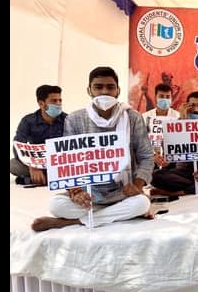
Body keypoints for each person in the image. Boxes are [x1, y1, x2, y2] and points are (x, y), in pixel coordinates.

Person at [31, 66, 155, 231]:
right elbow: (68, 162)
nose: (104, 92)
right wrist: (75, 192)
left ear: (117, 91)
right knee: (56, 205)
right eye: (98, 87)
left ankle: (73, 222)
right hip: (90, 194)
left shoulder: (133, 117)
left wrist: (137, 185)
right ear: (89, 90)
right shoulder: (75, 119)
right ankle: (112, 215)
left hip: (123, 193)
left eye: (110, 87)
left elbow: (146, 156)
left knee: (141, 203)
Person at [10, 84, 67, 186]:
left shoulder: (67, 119)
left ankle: (34, 180)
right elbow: (17, 146)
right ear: (41, 104)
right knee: (13, 164)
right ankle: (51, 178)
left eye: (60, 100)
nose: (58, 104)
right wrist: (32, 166)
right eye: (54, 101)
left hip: (60, 163)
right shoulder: (28, 121)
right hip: (36, 162)